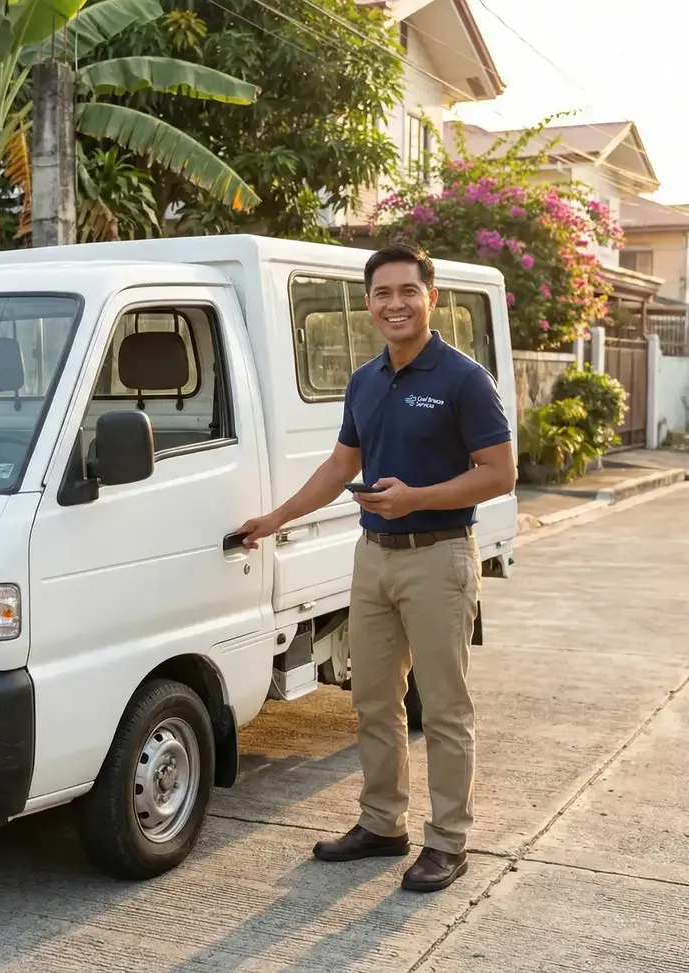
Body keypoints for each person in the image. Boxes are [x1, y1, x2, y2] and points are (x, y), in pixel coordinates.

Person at [237, 242, 516, 893]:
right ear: (368, 303)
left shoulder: (463, 378)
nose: (395, 303)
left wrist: (415, 498)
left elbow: (499, 473)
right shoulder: (364, 380)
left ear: (431, 297)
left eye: (407, 291)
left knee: (444, 708)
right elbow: (341, 465)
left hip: (439, 557)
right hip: (373, 557)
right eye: (383, 293)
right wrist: (274, 519)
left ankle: (447, 840)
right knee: (372, 700)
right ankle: (382, 823)